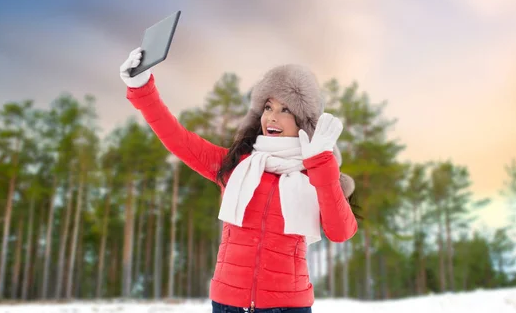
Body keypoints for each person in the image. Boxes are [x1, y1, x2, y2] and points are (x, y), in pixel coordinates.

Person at [119, 47, 358, 313]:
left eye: (286, 109)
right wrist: (142, 89)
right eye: (268, 107)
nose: (273, 116)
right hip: (227, 304)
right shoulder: (236, 166)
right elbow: (177, 138)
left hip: (288, 307)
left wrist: (321, 163)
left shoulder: (315, 175)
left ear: (302, 121)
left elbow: (341, 232)